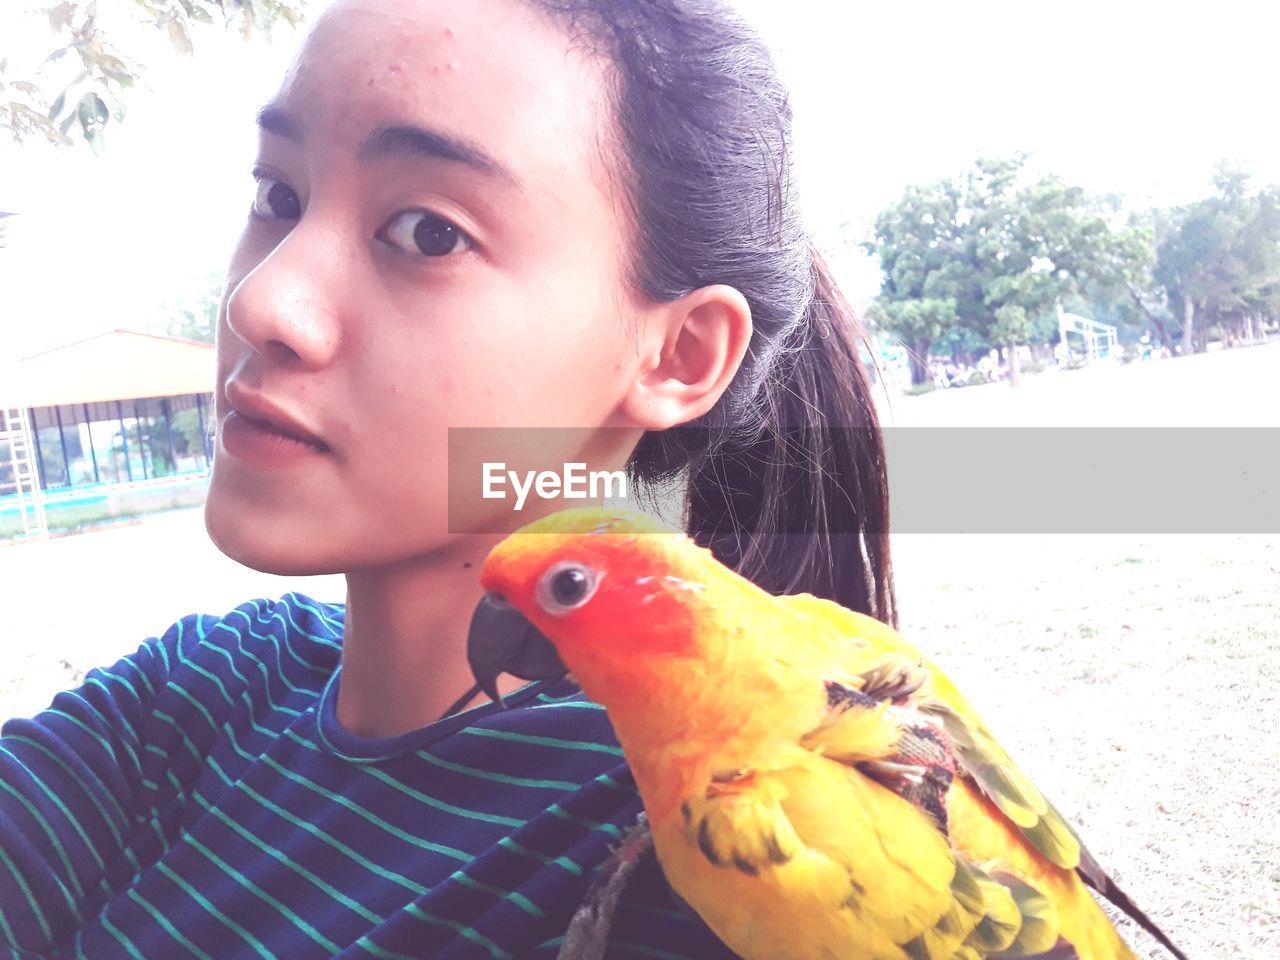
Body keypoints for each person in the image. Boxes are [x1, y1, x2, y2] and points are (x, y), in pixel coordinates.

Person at [0, 0, 895, 956]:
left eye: (428, 232)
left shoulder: (730, 848)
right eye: (277, 195)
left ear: (678, 354)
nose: (261, 301)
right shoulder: (202, 690)